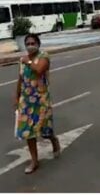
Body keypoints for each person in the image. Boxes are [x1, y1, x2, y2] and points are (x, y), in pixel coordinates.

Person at [14, 34, 60, 174]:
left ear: (38, 44)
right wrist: (16, 97)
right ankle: (34, 161)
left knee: (45, 130)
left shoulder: (44, 56)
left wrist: (28, 61)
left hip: (41, 100)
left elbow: (39, 70)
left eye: (33, 43)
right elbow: (21, 79)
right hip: (26, 101)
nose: (30, 45)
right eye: (27, 43)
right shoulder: (23, 60)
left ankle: (53, 140)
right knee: (28, 132)